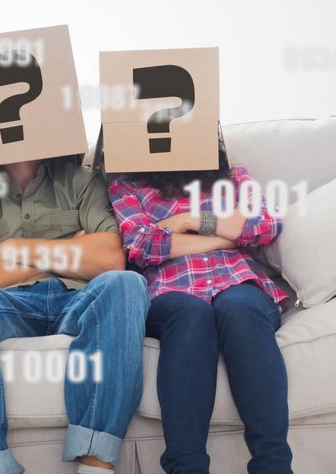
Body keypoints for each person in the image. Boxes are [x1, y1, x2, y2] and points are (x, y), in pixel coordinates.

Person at [0, 153, 150, 474]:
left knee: (127, 284)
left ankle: (95, 465)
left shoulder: (82, 182)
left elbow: (111, 260)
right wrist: (67, 251)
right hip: (9, 304)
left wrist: (11, 250)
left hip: (77, 297)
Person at [101, 132, 293, 474]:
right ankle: (186, 467)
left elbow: (263, 223)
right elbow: (142, 245)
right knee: (192, 312)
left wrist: (188, 222)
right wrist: (224, 235)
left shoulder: (233, 177)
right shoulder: (126, 186)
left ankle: (273, 465)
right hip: (170, 295)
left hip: (239, 284)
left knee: (239, 309)